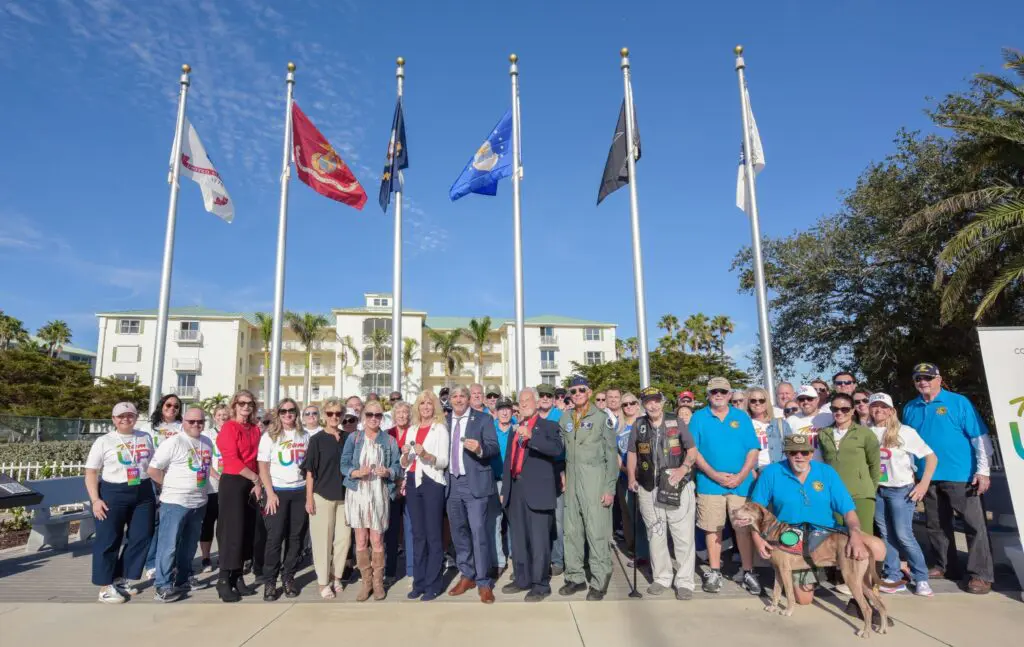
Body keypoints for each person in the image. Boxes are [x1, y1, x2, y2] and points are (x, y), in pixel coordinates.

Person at [902, 362, 994, 594]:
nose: (923, 382)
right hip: (927, 477)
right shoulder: (910, 408)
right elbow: (908, 444)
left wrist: (983, 471)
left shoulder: (958, 402)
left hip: (962, 475)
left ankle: (980, 575)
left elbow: (980, 437)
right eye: (918, 379)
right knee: (936, 525)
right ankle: (946, 566)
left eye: (928, 378)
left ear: (939, 379)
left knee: (974, 526)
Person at [748, 434, 870, 606]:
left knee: (876, 548)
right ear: (786, 454)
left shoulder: (826, 472)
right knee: (804, 600)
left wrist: (855, 535)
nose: (799, 456)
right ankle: (810, 572)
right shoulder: (772, 472)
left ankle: (863, 596)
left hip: (826, 535)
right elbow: (754, 510)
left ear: (811, 454)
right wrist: (757, 539)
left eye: (804, 452)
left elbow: (848, 511)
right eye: (793, 452)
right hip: (792, 538)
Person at [691, 376, 761, 595]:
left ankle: (748, 571)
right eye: (714, 392)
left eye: (723, 391)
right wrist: (714, 475)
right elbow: (694, 452)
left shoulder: (741, 417)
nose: (718, 395)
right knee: (713, 528)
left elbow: (753, 449)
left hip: (741, 484)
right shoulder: (698, 417)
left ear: (730, 394)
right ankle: (714, 570)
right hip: (710, 484)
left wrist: (740, 476)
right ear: (708, 395)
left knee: (743, 528)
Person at [627, 387, 698, 600]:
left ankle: (685, 581)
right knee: (656, 534)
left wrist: (683, 469)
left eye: (656, 400)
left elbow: (692, 451)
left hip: (677, 485)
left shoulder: (677, 422)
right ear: (643, 404)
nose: (653, 405)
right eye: (648, 401)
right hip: (648, 487)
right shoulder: (638, 425)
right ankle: (662, 577)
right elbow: (632, 453)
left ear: (663, 402)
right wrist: (631, 477)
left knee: (683, 536)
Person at [85, 402, 156, 604]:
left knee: (141, 536)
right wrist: (95, 500)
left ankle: (121, 578)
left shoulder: (145, 437)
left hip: (142, 491)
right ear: (114, 419)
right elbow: (91, 471)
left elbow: (152, 464)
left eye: (130, 415)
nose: (126, 419)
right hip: (113, 492)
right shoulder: (104, 441)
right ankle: (105, 586)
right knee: (109, 539)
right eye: (121, 416)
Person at [869, 393, 937, 596]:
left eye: (883, 406)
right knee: (886, 534)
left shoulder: (904, 432)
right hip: (878, 489)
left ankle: (921, 577)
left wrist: (923, 484)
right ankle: (893, 575)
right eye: (874, 406)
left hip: (901, 489)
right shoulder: (866, 432)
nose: (878, 410)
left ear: (891, 410)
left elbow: (931, 458)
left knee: (904, 534)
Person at [501, 388, 564, 601]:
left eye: (528, 400)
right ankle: (522, 578)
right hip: (516, 490)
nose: (525, 403)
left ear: (537, 403)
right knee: (519, 540)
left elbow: (556, 450)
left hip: (539, 492)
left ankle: (540, 584)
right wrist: (505, 490)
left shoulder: (549, 426)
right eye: (521, 400)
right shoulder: (514, 429)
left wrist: (532, 436)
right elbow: (509, 461)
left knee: (539, 542)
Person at [557, 376, 617, 601]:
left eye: (581, 389)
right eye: (573, 391)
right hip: (571, 479)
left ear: (589, 392)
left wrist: (609, 487)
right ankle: (575, 577)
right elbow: (560, 451)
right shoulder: (565, 419)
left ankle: (599, 580)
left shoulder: (602, 419)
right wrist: (561, 474)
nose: (577, 393)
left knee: (596, 532)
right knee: (571, 531)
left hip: (595, 480)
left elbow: (612, 456)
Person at [146, 406, 213, 602]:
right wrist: (170, 486)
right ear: (183, 422)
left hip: (199, 501)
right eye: (191, 421)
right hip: (175, 501)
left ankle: (183, 578)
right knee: (169, 545)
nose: (196, 425)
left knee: (190, 544)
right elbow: (153, 469)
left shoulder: (207, 442)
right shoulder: (173, 442)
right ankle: (162, 585)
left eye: (200, 421)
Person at [341, 399, 402, 601]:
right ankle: (366, 581)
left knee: (377, 539)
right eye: (369, 415)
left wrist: (388, 472)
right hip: (358, 491)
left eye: (377, 415)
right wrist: (356, 472)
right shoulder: (354, 438)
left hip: (378, 491)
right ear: (363, 417)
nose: (373, 419)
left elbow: (397, 466)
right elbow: (344, 464)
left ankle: (378, 581)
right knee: (360, 539)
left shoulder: (389, 441)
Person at [445, 385, 500, 603]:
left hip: (475, 483)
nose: (458, 400)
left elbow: (493, 448)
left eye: (462, 396)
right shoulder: (445, 422)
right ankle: (467, 575)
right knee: (459, 533)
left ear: (469, 399)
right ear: (450, 400)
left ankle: (484, 582)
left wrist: (479, 449)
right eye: (455, 396)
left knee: (478, 533)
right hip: (452, 483)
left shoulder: (483, 419)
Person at [257, 398, 310, 601]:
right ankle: (270, 581)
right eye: (283, 411)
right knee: (275, 538)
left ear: (296, 413)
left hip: (299, 491)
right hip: (277, 492)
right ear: (278, 414)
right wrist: (269, 493)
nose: (288, 414)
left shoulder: (304, 436)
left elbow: (308, 467)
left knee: (296, 538)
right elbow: (263, 467)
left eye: (291, 411)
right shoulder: (269, 436)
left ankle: (288, 577)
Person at [301, 397, 352, 599]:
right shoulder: (317, 439)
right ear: (324, 415)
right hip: (321, 495)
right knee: (322, 541)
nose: (334, 417)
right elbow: (309, 472)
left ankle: (336, 576)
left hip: (345, 497)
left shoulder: (349, 438)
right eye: (330, 413)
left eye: (338, 413)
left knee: (343, 539)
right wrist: (309, 499)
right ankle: (323, 581)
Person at [214, 390, 263, 602]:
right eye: (241, 403)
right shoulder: (229, 427)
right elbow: (232, 460)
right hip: (234, 481)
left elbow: (259, 457)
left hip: (251, 483)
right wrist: (256, 479)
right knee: (231, 531)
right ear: (234, 405)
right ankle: (224, 578)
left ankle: (237, 576)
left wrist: (258, 482)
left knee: (246, 531)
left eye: (250, 404)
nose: (246, 407)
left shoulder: (254, 429)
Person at [402, 391, 450, 601]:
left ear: (435, 407)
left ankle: (434, 584)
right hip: (413, 481)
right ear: (417, 407)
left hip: (432, 482)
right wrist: (405, 455)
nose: (426, 407)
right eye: (422, 404)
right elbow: (405, 463)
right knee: (417, 535)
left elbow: (443, 462)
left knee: (433, 535)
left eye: (429, 404)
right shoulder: (412, 429)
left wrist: (426, 455)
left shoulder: (439, 429)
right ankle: (419, 582)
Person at [818, 393, 881, 534]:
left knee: (863, 537)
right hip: (834, 493)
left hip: (861, 495)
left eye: (845, 409)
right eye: (835, 409)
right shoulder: (823, 434)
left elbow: (875, 465)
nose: (839, 412)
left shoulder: (865, 433)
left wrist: (870, 488)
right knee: (838, 538)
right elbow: (826, 462)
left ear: (853, 410)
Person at [142, 393, 183, 579]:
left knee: (174, 523)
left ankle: (170, 563)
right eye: (168, 405)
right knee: (156, 523)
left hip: (176, 479)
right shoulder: (150, 428)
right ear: (161, 406)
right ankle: (151, 563)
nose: (172, 409)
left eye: (176, 406)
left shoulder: (183, 427)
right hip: (154, 478)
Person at [537, 382, 566, 576]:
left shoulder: (561, 417)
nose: (545, 398)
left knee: (557, 520)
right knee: (539, 520)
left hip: (557, 470)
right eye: (542, 395)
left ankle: (557, 559)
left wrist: (564, 473)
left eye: (549, 395)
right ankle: (542, 558)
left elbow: (566, 447)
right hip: (536, 472)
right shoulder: (530, 417)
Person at [385, 400, 413, 584]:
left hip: (412, 485)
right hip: (393, 486)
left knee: (411, 529)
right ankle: (390, 572)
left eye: (405, 412)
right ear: (394, 416)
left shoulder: (415, 432)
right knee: (392, 530)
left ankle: (412, 570)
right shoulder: (388, 435)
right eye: (399, 412)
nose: (402, 415)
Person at [199, 405, 229, 573]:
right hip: (212, 485)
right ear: (214, 416)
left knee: (225, 524)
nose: (222, 417)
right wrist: (217, 475)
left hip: (229, 484)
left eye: (225, 415)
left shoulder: (232, 431)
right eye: (219, 415)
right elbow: (205, 460)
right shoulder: (207, 434)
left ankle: (225, 555)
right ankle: (205, 557)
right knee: (208, 523)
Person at [489, 397, 515, 576]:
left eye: (508, 409)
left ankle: (515, 557)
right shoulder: (490, 430)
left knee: (514, 522)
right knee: (495, 522)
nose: (504, 412)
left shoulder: (517, 429)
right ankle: (499, 560)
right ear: (495, 412)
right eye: (501, 409)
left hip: (514, 482)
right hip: (494, 481)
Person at [746, 386, 790, 469]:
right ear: (748, 403)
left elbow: (790, 450)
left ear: (767, 403)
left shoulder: (781, 424)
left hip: (778, 470)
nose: (757, 403)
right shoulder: (744, 425)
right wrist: (751, 471)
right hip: (754, 472)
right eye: (753, 401)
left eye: (761, 400)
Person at [786, 384, 833, 461]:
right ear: (797, 401)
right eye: (801, 399)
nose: (806, 402)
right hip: (801, 468)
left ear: (817, 399)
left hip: (824, 467)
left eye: (810, 398)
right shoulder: (790, 421)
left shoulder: (829, 417)